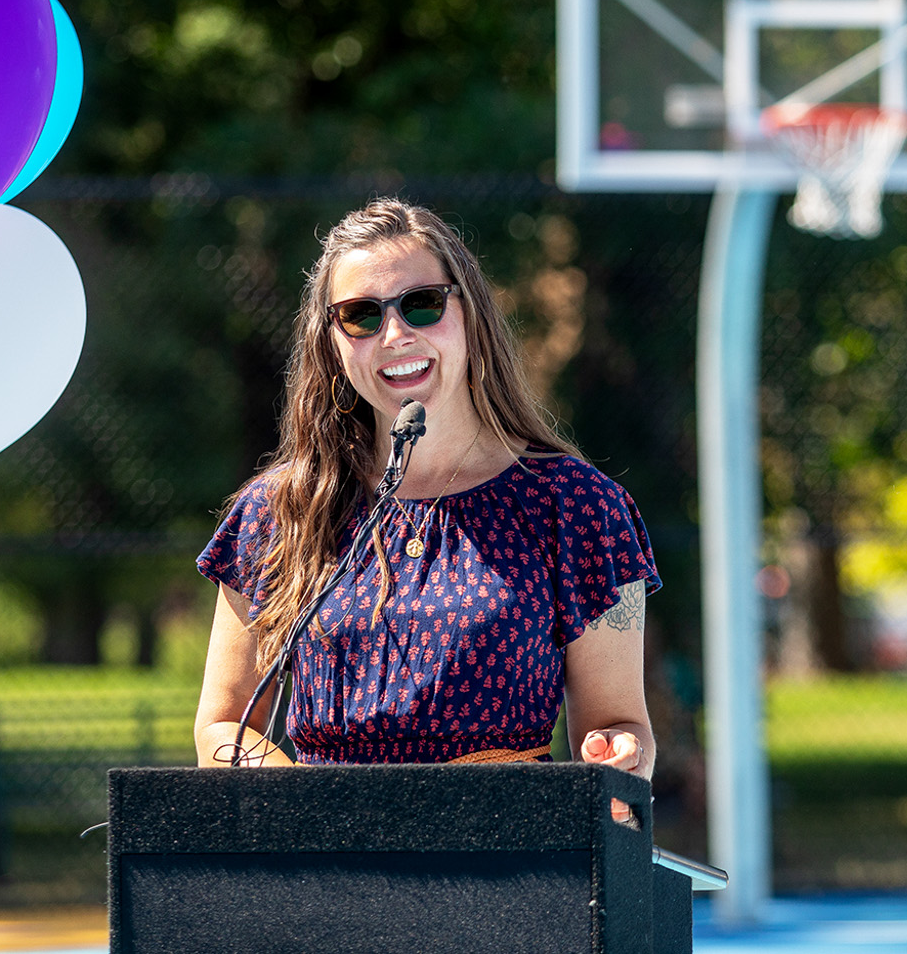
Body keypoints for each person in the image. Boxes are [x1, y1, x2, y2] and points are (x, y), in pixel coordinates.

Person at [193, 199, 659, 816]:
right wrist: (311, 816)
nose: (395, 334)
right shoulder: (278, 510)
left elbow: (621, 725)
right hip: (324, 875)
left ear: (469, 313)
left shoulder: (577, 506)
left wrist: (618, 757)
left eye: (422, 304)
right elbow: (224, 728)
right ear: (332, 343)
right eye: (360, 316)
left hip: (503, 865)